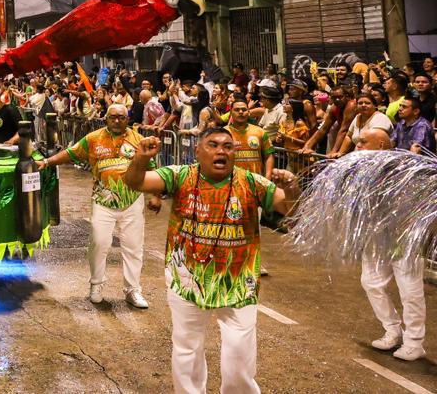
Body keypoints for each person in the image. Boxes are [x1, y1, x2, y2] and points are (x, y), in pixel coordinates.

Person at [123, 128, 300, 394]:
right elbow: (135, 182)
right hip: (187, 280)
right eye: (213, 145)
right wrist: (140, 159)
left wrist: (292, 189)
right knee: (187, 349)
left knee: (241, 352)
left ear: (235, 153)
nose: (221, 151)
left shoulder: (252, 183)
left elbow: (291, 212)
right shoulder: (180, 175)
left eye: (228, 147)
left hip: (239, 283)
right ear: (197, 152)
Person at [36, 104, 159, 308]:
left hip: (133, 201)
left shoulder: (138, 140)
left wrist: (156, 196)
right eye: (113, 117)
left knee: (134, 247)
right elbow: (70, 153)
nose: (117, 121)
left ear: (128, 119)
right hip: (103, 201)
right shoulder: (94, 138)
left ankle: (133, 290)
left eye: (121, 117)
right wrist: (48, 162)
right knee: (99, 243)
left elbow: (152, 168)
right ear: (106, 119)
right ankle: (96, 285)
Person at [353, 131, 428, 361]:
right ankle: (393, 330)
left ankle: (415, 342)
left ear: (382, 144)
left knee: (409, 289)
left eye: (364, 142)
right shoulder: (362, 167)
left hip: (404, 235)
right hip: (377, 235)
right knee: (371, 281)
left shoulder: (404, 165)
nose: (358, 146)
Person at [333, 92, 392, 157]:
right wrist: (340, 153)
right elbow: (349, 136)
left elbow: (376, 143)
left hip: (376, 157)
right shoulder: (357, 117)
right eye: (360, 103)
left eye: (367, 103)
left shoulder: (380, 118)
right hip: (360, 156)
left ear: (375, 106)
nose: (363, 105)